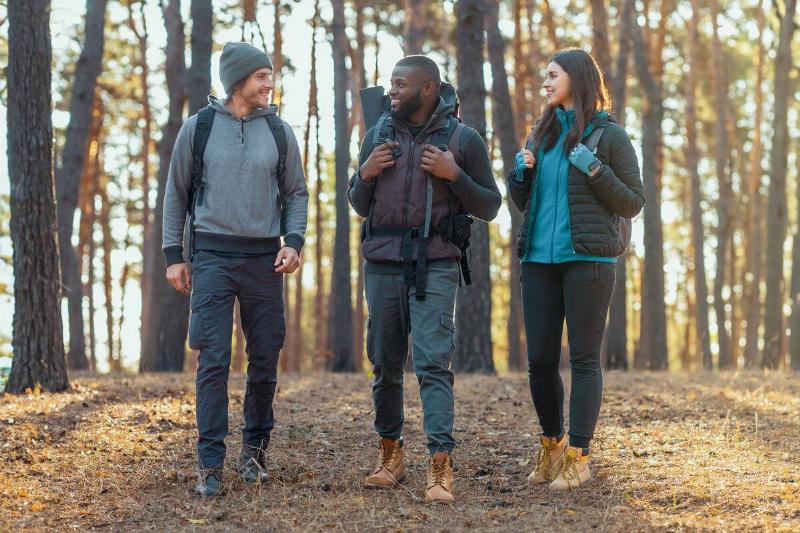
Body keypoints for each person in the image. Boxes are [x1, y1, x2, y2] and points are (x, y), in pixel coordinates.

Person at [348, 55, 501, 504]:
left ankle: (440, 462)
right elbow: (359, 202)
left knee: (434, 362)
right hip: (382, 262)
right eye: (391, 84)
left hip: (435, 262)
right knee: (384, 361)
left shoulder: (462, 138)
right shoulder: (377, 132)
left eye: (399, 84)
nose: (391, 91)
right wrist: (366, 173)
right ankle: (390, 453)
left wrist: (454, 175)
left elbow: (490, 205)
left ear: (429, 88)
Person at [162, 42, 308, 497]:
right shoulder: (199, 128)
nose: (270, 83)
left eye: (271, 75)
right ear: (238, 80)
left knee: (264, 358)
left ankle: (254, 456)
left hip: (265, 260)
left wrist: (294, 242)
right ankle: (210, 464)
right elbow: (176, 192)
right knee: (213, 361)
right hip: (211, 257)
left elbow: (296, 194)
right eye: (262, 75)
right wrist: (174, 254)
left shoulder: (280, 131)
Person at [507, 48, 644, 491]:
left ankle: (579, 455)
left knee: (584, 358)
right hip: (538, 261)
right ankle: (552, 445)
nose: (544, 83)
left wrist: (595, 168)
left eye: (552, 75)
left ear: (577, 78)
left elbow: (632, 202)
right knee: (540, 362)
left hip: (589, 260)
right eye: (544, 76)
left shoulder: (610, 136)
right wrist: (520, 176)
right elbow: (524, 202)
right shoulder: (540, 134)